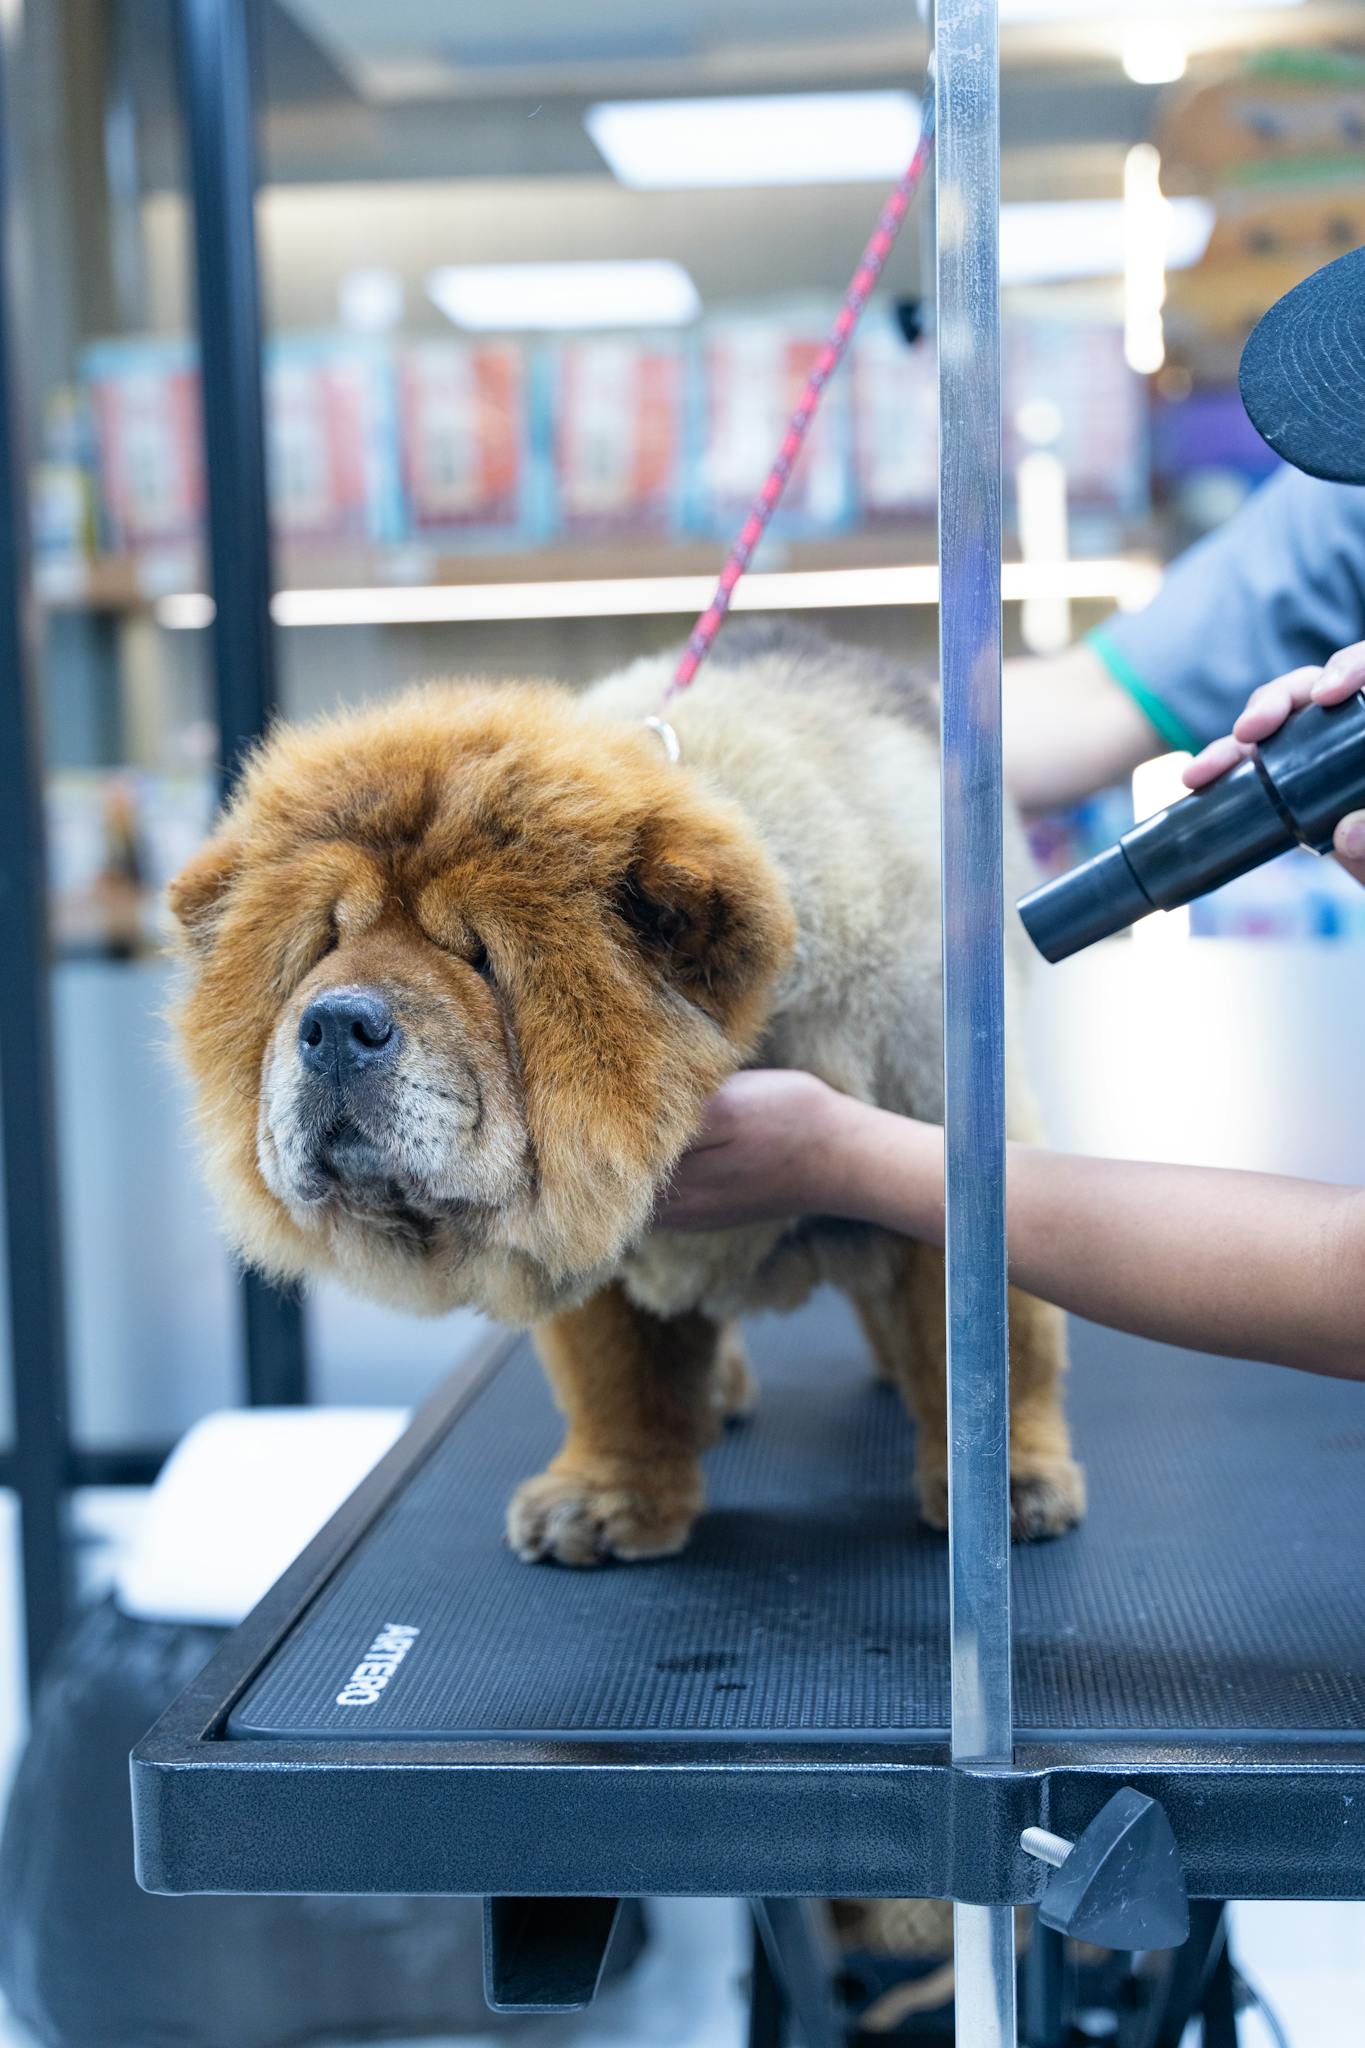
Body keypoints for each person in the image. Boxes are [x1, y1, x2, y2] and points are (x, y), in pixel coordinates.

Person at [658, 246, 1365, 1383]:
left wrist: (847, 1158)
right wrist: (785, 742)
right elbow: (1091, 699)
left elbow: (1349, 1282)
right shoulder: (1344, 516)